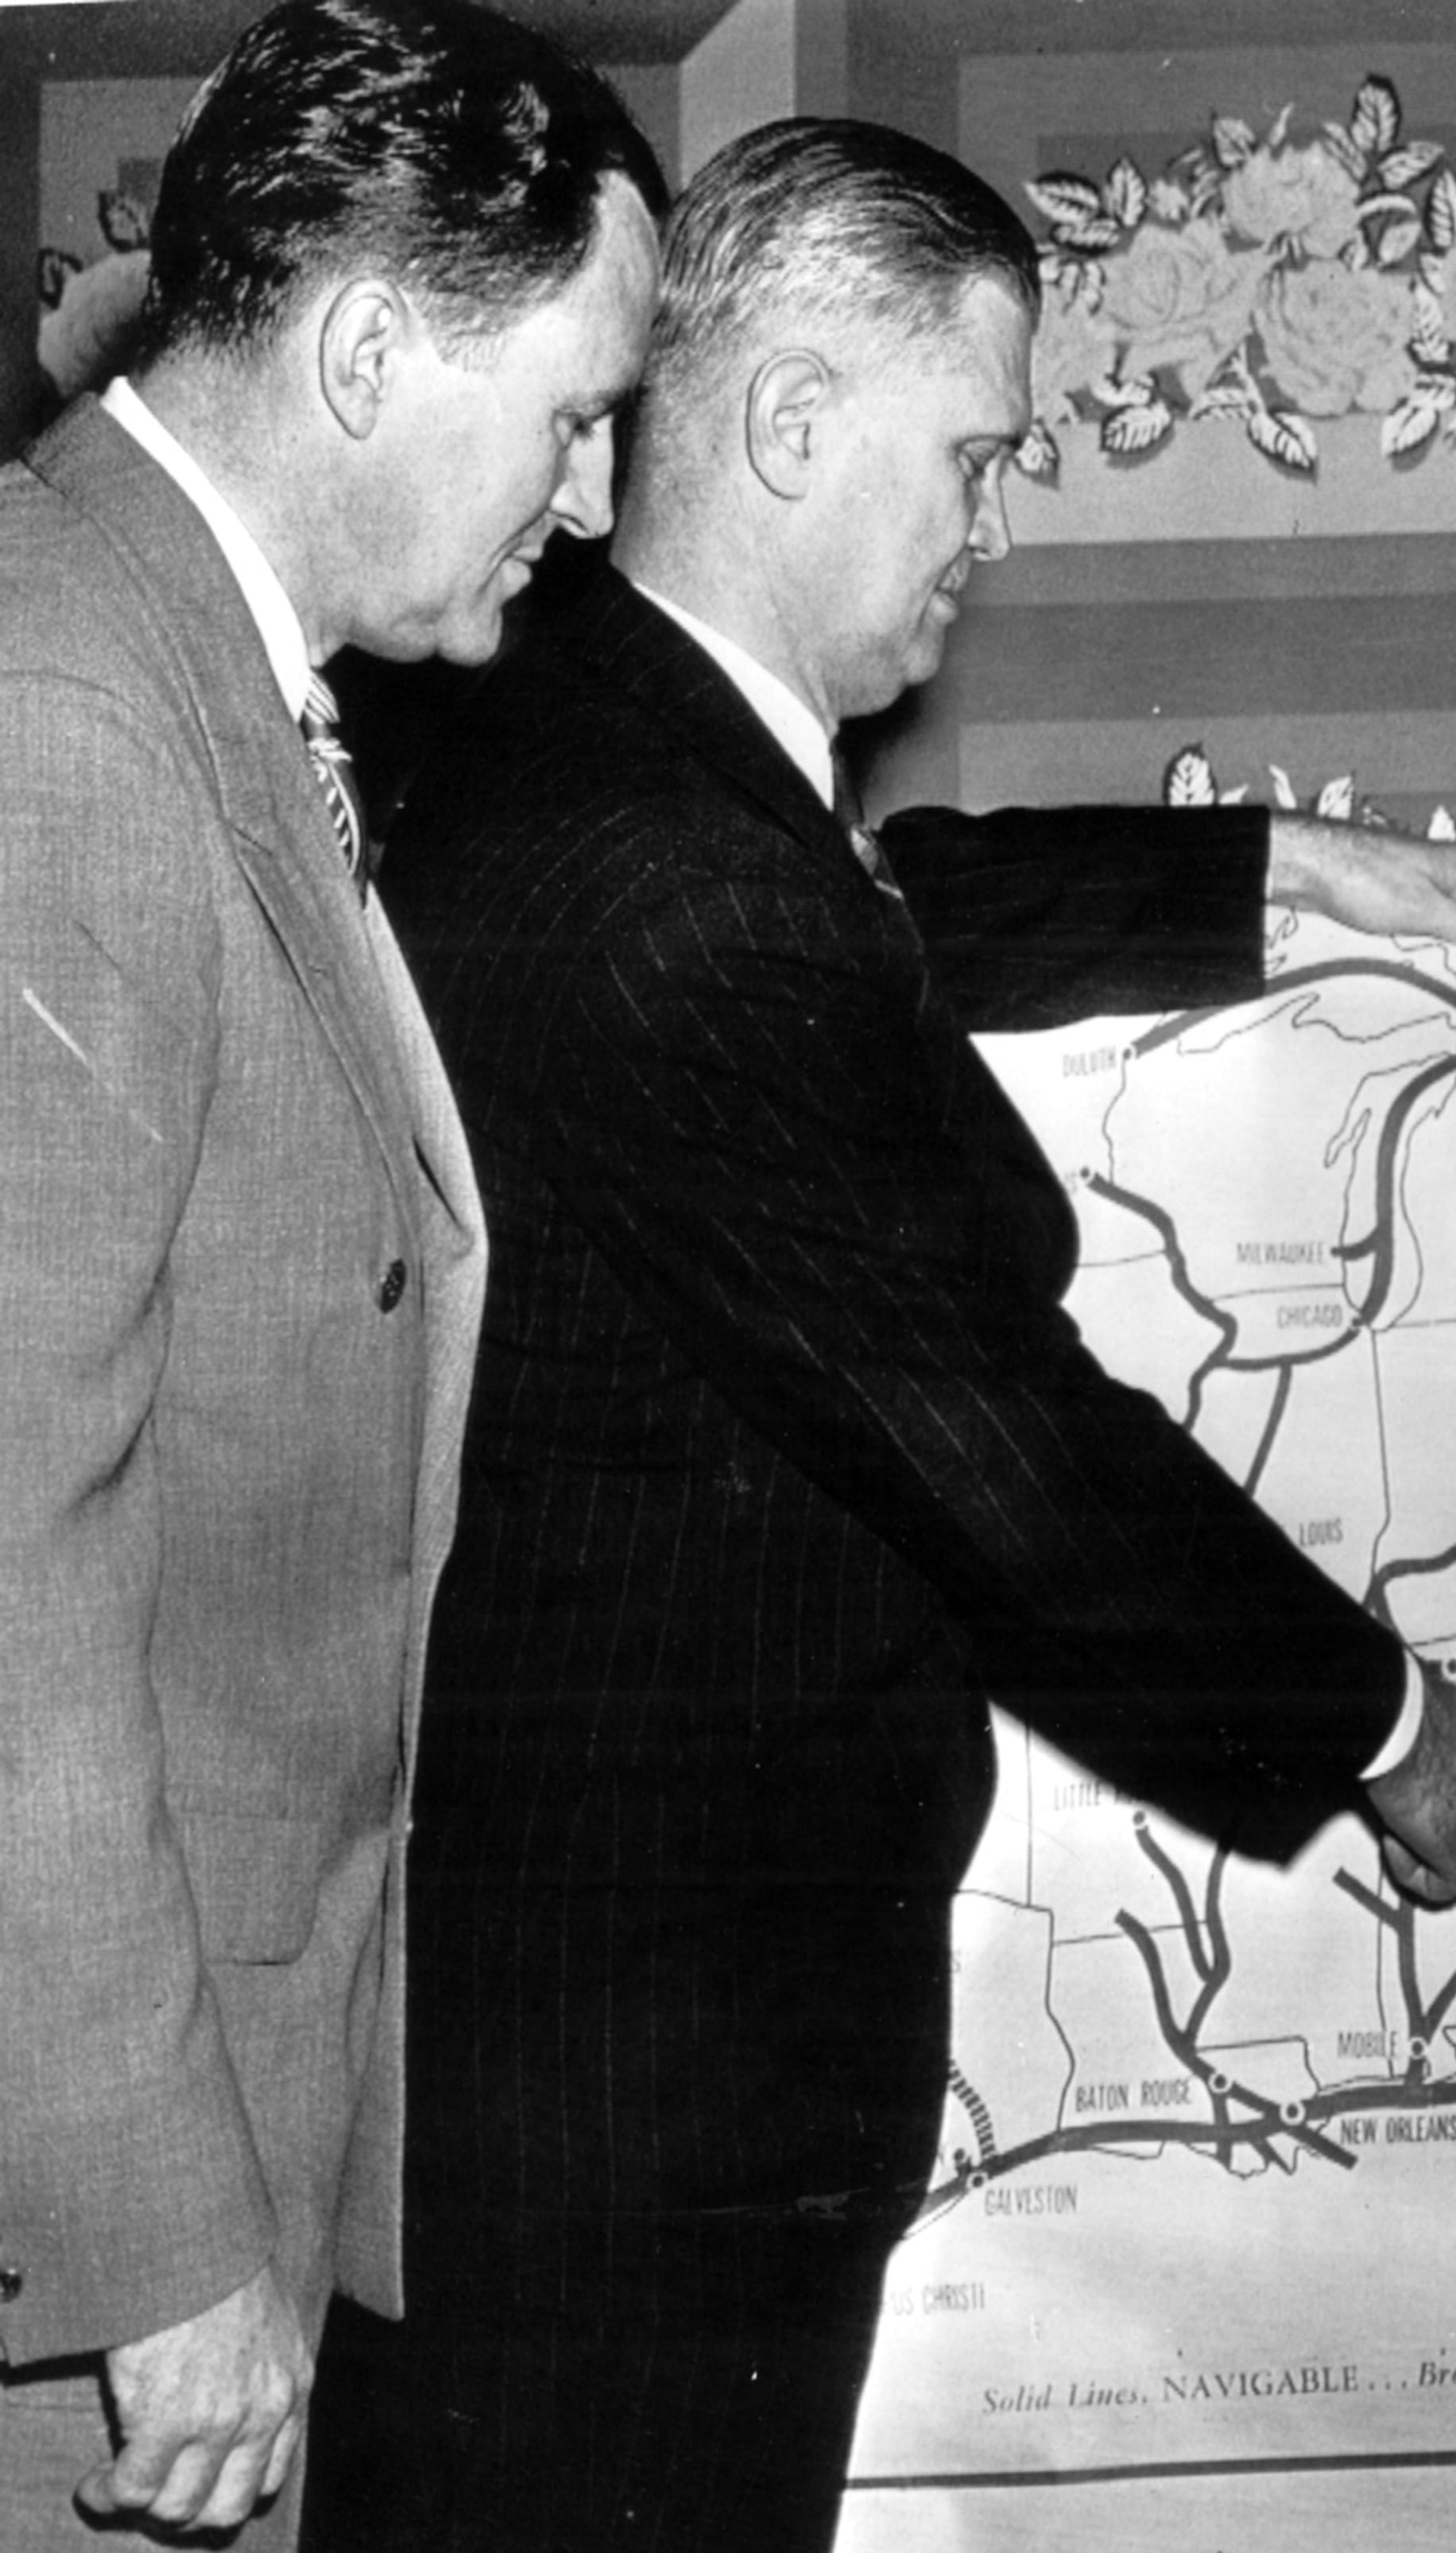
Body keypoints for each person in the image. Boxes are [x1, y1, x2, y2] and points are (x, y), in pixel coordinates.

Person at [296, 117, 1456, 2553]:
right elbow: (1010, 1452)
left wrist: (1237, 871)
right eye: (975, 457)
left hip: (504, 2052)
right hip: (644, 2112)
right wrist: (1396, 1729)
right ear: (793, 429)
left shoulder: (539, 728)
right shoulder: (685, 897)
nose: (993, 531)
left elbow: (858, 906)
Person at [0, 2, 659, 2542]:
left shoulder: (177, 657)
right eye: (576, 411)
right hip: (87, 2214)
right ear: (375, 348)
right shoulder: (64, 706)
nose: (594, 502)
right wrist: (164, 2234)